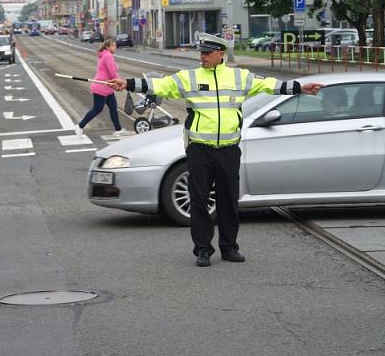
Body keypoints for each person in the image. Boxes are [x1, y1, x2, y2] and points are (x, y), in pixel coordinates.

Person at [110, 31, 324, 267]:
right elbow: (162, 85)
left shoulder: (239, 77)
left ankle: (230, 247)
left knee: (229, 200)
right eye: (201, 52)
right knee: (199, 200)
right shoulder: (190, 77)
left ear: (220, 54)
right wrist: (128, 83)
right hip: (199, 149)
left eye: (207, 53)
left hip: (228, 149)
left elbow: (269, 86)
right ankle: (203, 249)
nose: (202, 56)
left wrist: (301, 88)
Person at [76, 38, 131, 138]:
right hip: (101, 87)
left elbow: (112, 73)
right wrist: (121, 82)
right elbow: (112, 73)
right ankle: (80, 126)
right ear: (107, 47)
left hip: (107, 88)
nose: (115, 47)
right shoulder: (108, 56)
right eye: (113, 45)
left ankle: (118, 129)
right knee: (97, 109)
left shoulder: (105, 55)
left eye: (115, 45)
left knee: (113, 108)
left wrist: (117, 81)